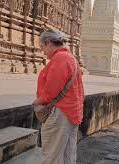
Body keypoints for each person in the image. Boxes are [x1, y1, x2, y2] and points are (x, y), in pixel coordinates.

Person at [32, 29, 84, 164]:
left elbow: (50, 92)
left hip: (60, 113)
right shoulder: (71, 58)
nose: (43, 52)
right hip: (71, 112)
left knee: (52, 156)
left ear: (48, 43)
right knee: (68, 155)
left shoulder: (60, 59)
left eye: (42, 47)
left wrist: (37, 101)